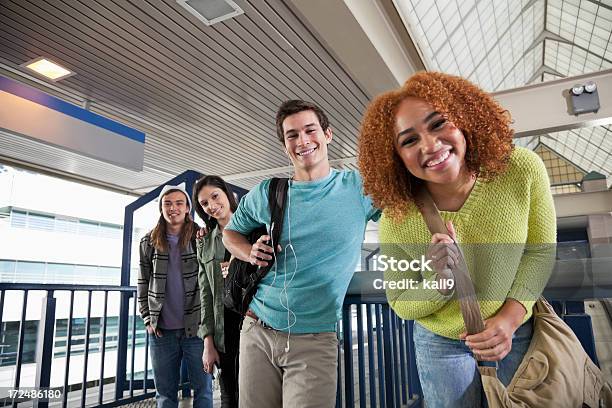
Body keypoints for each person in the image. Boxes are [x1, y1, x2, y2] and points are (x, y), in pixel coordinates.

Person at [358, 72, 557, 407]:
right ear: (396, 157)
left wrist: (508, 320)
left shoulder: (522, 170)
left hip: (517, 328)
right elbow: (400, 301)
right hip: (440, 343)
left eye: (439, 124)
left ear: (464, 119)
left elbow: (539, 252)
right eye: (409, 141)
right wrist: (442, 282)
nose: (430, 145)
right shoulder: (397, 218)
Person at [222, 100, 380, 408]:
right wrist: (249, 253)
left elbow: (404, 221)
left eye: (310, 130)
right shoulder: (267, 192)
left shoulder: (359, 188)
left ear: (328, 135)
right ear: (285, 146)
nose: (303, 141)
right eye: (292, 135)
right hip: (258, 329)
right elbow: (230, 233)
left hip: (315, 338)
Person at [138, 182, 213, 408]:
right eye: (167, 203)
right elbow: (142, 282)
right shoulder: (148, 241)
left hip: (196, 330)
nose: (173, 208)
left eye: (179, 203)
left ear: (188, 208)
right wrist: (147, 318)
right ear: (160, 208)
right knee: (165, 394)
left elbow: (209, 282)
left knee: (204, 391)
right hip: (161, 331)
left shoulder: (200, 237)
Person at [193, 175, 242, 408]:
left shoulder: (252, 228)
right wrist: (208, 343)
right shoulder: (204, 241)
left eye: (215, 196)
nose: (211, 206)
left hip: (256, 327)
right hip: (225, 332)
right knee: (229, 398)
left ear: (227, 194)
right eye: (204, 203)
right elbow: (206, 294)